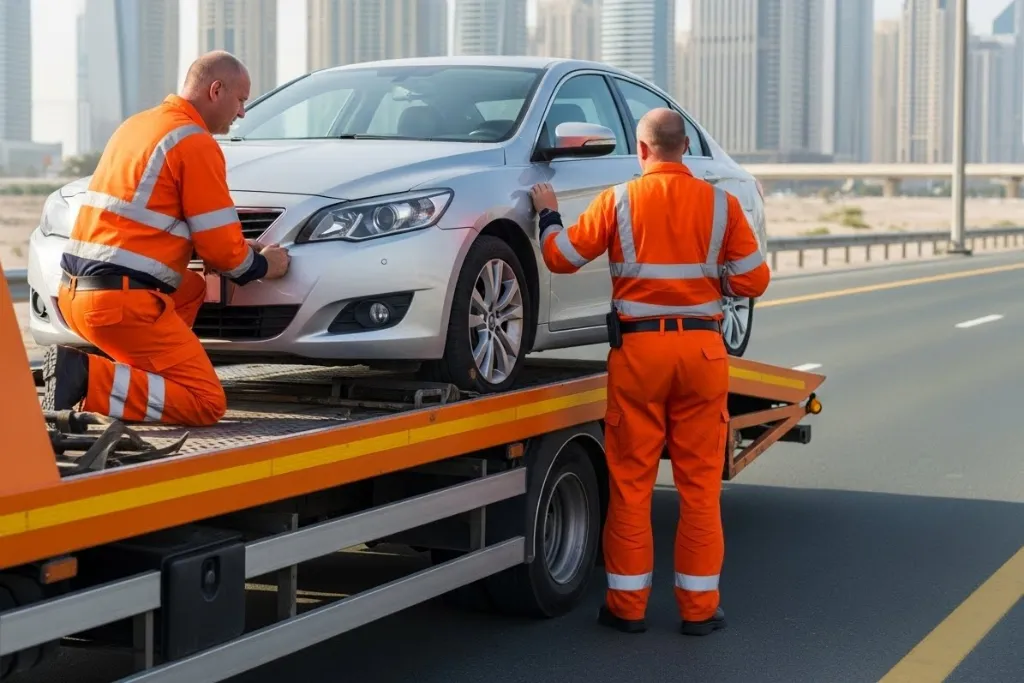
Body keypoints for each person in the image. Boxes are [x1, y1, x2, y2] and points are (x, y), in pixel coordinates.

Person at [528, 108, 770, 636]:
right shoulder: (722, 205)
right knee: (700, 489)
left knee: (632, 485)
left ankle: (627, 608)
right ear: (684, 148)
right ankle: (700, 612)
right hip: (702, 355)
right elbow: (755, 281)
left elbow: (561, 257)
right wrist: (716, 282)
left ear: (641, 150)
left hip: (639, 356)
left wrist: (547, 213)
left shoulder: (617, 200)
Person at [42, 51, 290, 427]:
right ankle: (85, 379)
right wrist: (265, 264)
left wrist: (228, 247)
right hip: (120, 304)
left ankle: (145, 378)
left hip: (77, 296)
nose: (242, 112)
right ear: (216, 89)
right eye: (240, 100)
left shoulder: (139, 126)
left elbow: (147, 218)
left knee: (190, 287)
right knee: (206, 402)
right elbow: (226, 258)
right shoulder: (195, 143)